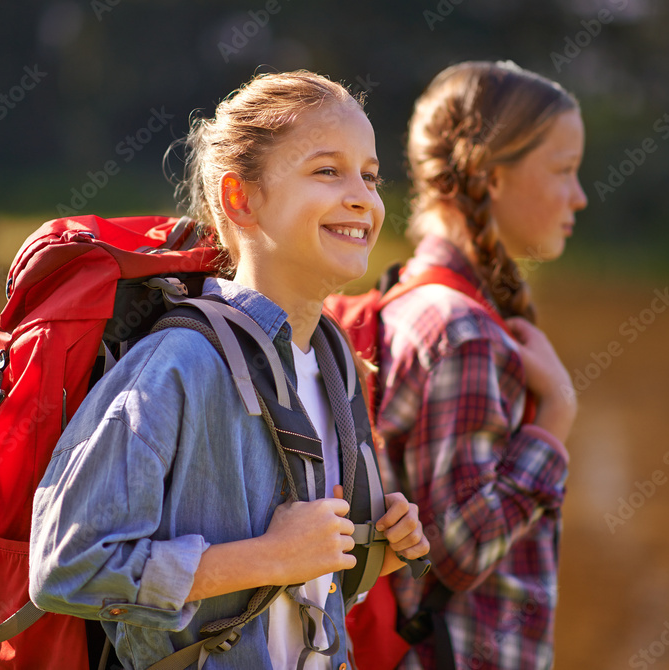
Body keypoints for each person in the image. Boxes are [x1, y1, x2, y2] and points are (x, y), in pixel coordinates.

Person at [28, 71, 429, 669]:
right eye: (327, 171)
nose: (363, 198)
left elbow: (301, 596)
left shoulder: (333, 358)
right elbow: (67, 564)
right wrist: (270, 556)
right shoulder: (180, 365)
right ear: (240, 199)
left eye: (370, 176)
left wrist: (370, 553)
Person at [374, 61, 586, 669]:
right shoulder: (462, 331)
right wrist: (555, 419)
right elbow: (457, 550)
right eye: (564, 170)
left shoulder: (406, 294)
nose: (579, 195)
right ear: (492, 176)